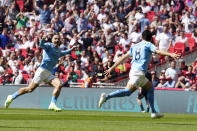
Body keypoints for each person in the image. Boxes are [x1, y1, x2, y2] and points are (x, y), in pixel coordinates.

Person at [98, 30, 180, 118]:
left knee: (150, 88)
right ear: (150, 38)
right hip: (139, 72)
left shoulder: (135, 46)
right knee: (128, 91)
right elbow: (158, 52)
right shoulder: (148, 44)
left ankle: (153, 112)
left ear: (142, 37)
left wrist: (111, 68)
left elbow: (123, 58)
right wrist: (170, 54)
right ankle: (106, 97)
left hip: (135, 72)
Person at [4, 34, 76, 111]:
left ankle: (52, 104)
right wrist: (42, 39)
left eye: (58, 39)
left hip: (48, 73)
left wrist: (71, 50)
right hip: (41, 71)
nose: (57, 40)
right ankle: (11, 97)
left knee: (59, 84)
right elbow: (41, 45)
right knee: (29, 89)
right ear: (52, 40)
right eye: (55, 39)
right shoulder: (48, 45)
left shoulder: (58, 50)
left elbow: (63, 53)